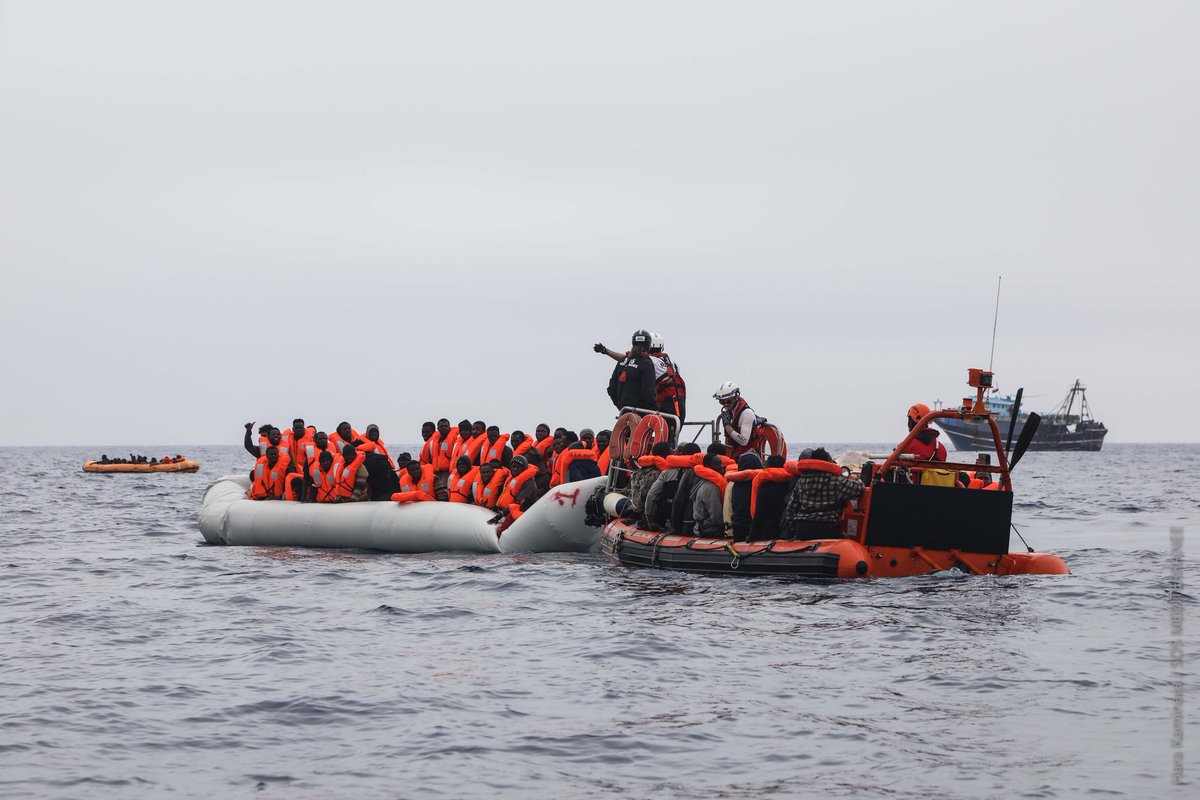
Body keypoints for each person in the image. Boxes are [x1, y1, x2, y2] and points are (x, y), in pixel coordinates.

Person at [782, 447, 864, 539]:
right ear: (828, 464)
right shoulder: (836, 482)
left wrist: (795, 530)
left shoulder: (801, 482)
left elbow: (790, 510)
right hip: (827, 529)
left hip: (802, 529)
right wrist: (856, 478)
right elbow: (859, 488)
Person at [600, 330, 657, 413]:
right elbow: (649, 391)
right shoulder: (646, 363)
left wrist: (620, 406)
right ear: (648, 345)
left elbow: (611, 387)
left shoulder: (623, 360)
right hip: (640, 413)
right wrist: (653, 411)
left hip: (624, 411)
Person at [647, 332, 687, 423]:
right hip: (680, 407)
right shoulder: (673, 363)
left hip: (665, 407)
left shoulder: (649, 361)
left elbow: (629, 359)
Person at [714, 382, 759, 459]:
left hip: (748, 458)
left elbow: (744, 441)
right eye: (722, 402)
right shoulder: (731, 412)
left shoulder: (747, 413)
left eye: (728, 401)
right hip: (734, 455)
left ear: (737, 397)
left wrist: (727, 426)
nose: (725, 405)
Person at [750, 454, 791, 539]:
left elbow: (759, 513)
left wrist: (752, 534)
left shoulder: (764, 487)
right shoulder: (790, 484)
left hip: (767, 530)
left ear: (768, 466)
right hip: (785, 529)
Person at [691, 453, 728, 537]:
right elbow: (716, 517)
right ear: (708, 466)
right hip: (707, 529)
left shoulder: (701, 481)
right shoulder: (710, 488)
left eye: (721, 463)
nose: (722, 466)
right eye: (717, 464)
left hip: (703, 526)